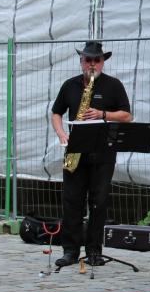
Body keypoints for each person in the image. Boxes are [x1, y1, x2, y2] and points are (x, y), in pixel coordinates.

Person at [50, 41, 132, 267]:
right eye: (88, 60)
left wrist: (103, 114)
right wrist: (60, 133)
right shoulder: (70, 85)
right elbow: (56, 112)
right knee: (71, 200)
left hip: (103, 152)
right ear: (81, 61)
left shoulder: (113, 86)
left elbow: (127, 115)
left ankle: (94, 250)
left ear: (103, 62)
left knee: (99, 201)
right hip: (73, 150)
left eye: (97, 60)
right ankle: (70, 250)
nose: (92, 64)